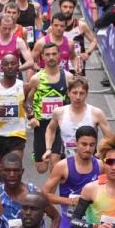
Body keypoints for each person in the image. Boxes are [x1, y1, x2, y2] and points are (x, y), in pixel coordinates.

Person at [25, 43, 74, 174]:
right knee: (41, 169)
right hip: (41, 125)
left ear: (59, 55)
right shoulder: (36, 79)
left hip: (59, 126)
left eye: (54, 54)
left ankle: (50, 193)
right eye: (47, 55)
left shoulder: (68, 77)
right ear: (42, 57)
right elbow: (27, 100)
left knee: (55, 165)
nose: (51, 57)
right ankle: (36, 153)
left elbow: (72, 99)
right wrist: (31, 117)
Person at [0, 55, 28, 160]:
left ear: (18, 66)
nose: (10, 67)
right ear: (1, 67)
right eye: (6, 64)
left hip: (17, 135)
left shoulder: (24, 86)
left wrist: (31, 115)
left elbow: (28, 106)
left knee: (13, 167)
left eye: (13, 64)